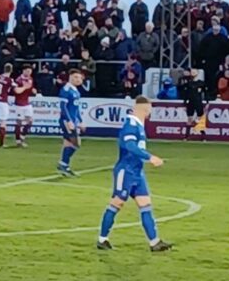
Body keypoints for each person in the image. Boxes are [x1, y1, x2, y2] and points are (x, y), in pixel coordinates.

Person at [97, 96, 171, 252]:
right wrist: (149, 157)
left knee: (146, 205)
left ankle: (154, 242)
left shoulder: (139, 125)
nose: (150, 110)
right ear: (144, 107)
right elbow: (129, 145)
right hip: (126, 171)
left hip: (137, 172)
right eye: (149, 107)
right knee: (117, 203)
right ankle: (102, 239)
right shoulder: (130, 124)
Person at [56, 69, 85, 177]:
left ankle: (64, 165)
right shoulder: (66, 89)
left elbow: (76, 109)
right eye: (76, 77)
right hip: (66, 121)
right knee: (76, 143)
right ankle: (63, 164)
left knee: (68, 144)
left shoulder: (76, 91)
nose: (78, 80)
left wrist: (80, 121)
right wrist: (68, 121)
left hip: (73, 121)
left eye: (80, 78)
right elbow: (63, 107)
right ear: (70, 77)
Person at [180, 68, 207, 141]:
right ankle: (186, 136)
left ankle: (203, 137)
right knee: (189, 119)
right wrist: (185, 103)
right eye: (192, 72)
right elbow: (185, 94)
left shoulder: (201, 83)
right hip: (190, 102)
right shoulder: (188, 83)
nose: (193, 73)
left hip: (198, 102)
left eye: (194, 72)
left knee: (200, 119)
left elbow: (206, 93)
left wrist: (207, 102)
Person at [13, 65, 35, 148]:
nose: (29, 73)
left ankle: (22, 137)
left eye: (30, 71)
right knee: (19, 122)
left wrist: (33, 90)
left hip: (27, 103)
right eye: (28, 71)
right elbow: (17, 91)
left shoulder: (30, 79)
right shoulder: (18, 80)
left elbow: (31, 89)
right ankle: (18, 141)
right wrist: (24, 87)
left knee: (30, 121)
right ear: (24, 71)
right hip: (19, 104)